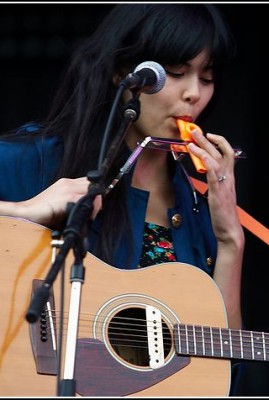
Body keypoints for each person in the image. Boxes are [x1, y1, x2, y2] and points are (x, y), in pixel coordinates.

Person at [0, 3, 244, 396]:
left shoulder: (199, 202)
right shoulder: (42, 159)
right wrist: (21, 211)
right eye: (177, 73)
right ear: (124, 74)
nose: (194, 94)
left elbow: (220, 375)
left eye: (208, 76)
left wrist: (231, 240)